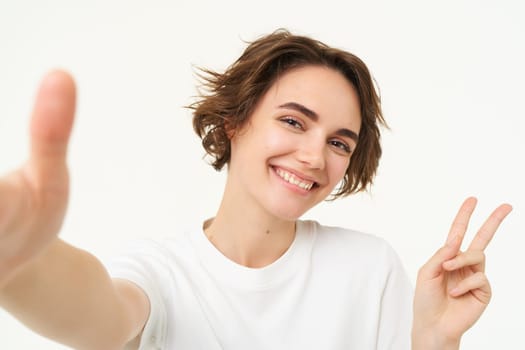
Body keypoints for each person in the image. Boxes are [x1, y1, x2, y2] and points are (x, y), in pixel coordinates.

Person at [0, 29, 512, 350]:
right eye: (293, 121)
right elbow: (102, 319)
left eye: (338, 141)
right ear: (233, 124)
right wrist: (21, 262)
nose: (315, 156)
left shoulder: (368, 269)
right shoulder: (163, 272)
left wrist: (434, 342)